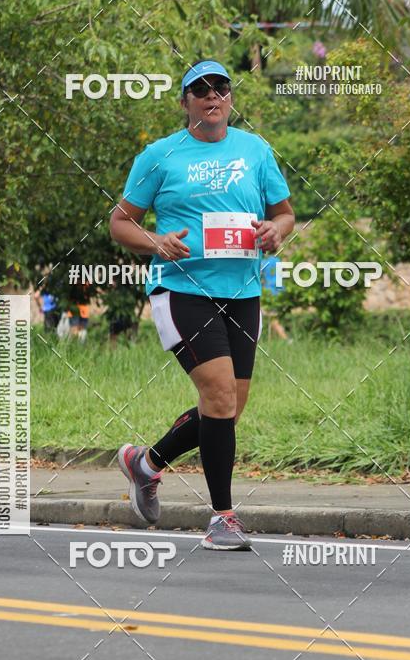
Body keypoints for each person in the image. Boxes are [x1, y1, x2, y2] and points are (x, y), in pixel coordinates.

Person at [110, 59, 295, 550]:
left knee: (228, 410)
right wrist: (157, 241)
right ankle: (222, 518)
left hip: (243, 294)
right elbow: (120, 222)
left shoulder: (255, 150)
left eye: (221, 88)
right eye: (200, 90)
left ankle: (145, 464)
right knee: (218, 396)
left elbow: (284, 214)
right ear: (185, 102)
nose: (212, 97)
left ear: (231, 99)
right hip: (182, 292)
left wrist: (276, 231)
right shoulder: (160, 155)